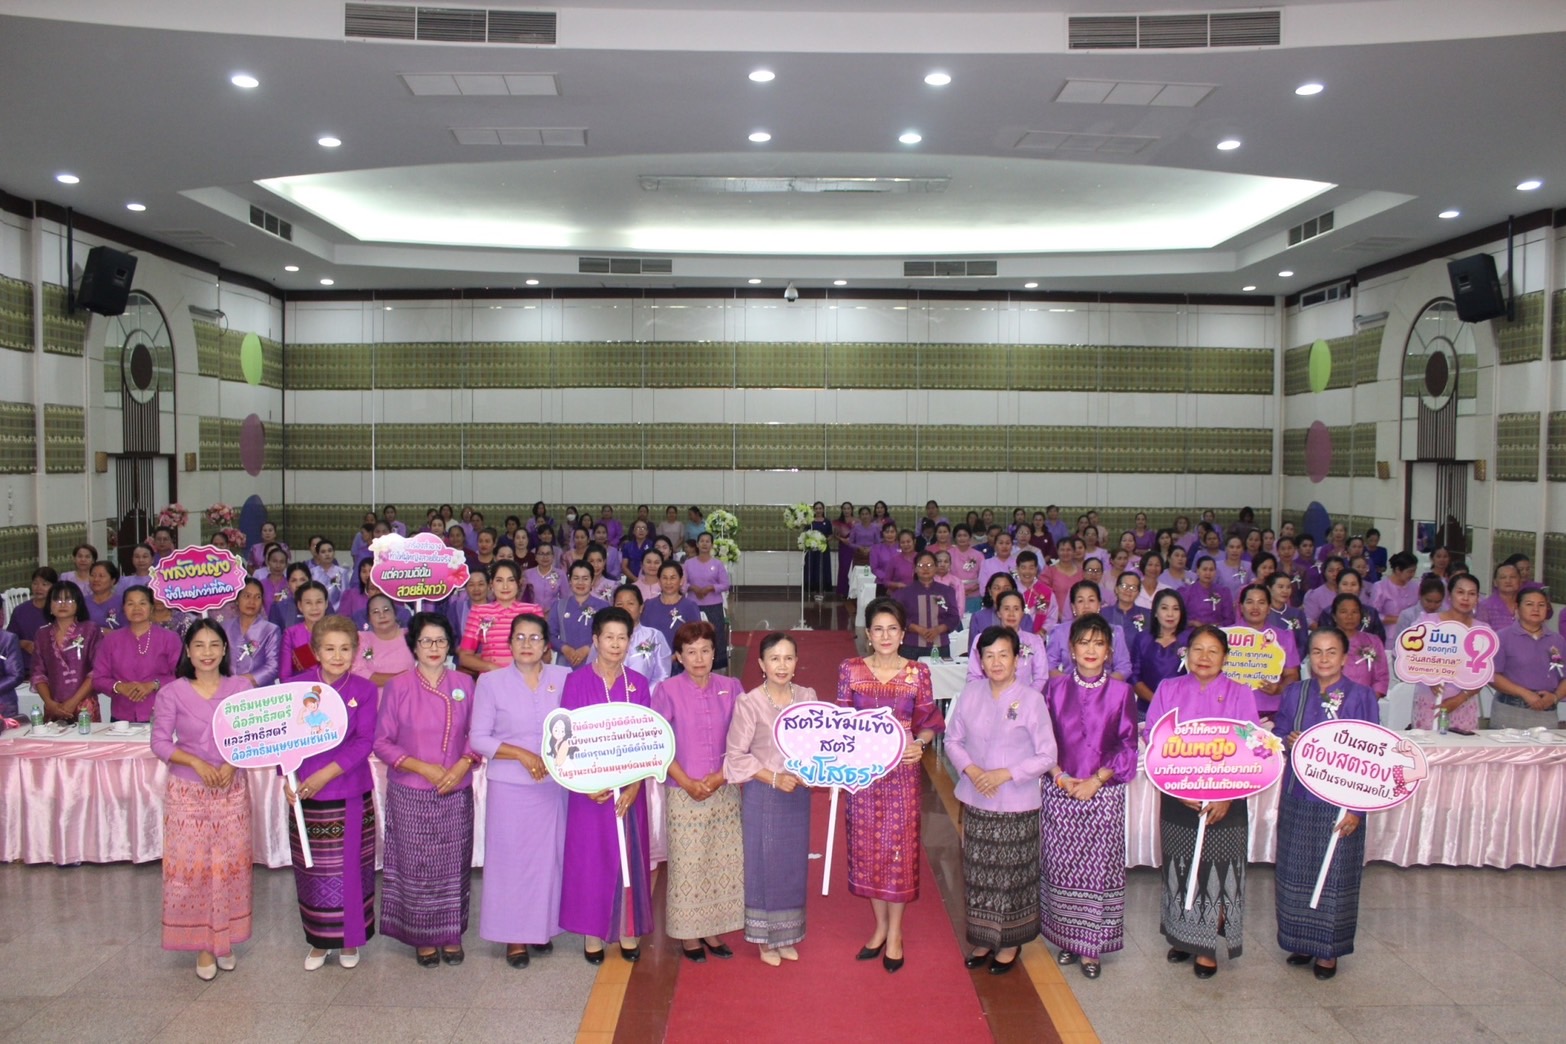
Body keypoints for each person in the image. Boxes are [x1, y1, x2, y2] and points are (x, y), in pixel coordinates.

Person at [1145, 625, 1260, 978]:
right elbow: (1155, 740)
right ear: (1186, 653)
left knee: (1217, 872)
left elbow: (1252, 749)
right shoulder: (1168, 689)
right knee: (1180, 868)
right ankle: (1182, 937)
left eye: (1213, 650)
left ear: (1225, 657)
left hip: (1227, 799)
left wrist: (1228, 796)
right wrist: (1176, 788)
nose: (1204, 657)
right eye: (1197, 649)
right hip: (1178, 797)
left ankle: (1207, 946)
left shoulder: (1241, 692)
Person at [835, 597, 944, 973]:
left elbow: (930, 720)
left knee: (897, 851)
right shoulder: (850, 669)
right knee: (867, 852)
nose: (885, 636)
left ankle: (895, 932)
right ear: (868, 634)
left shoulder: (917, 672)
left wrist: (921, 743)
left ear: (902, 633)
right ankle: (879, 927)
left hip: (901, 775)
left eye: (892, 629)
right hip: (863, 777)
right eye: (878, 629)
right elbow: (840, 725)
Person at [1273, 627, 1382, 980]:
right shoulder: (1295, 692)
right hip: (1298, 796)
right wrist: (1287, 740)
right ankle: (1301, 940)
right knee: (1295, 869)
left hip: (1341, 801)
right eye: (1317, 652)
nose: (1323, 659)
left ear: (1345, 657)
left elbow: (1373, 756)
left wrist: (1357, 810)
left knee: (1337, 872)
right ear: (1308, 657)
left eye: (1331, 652)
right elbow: (1278, 734)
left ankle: (1329, 951)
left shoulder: (1362, 696)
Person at [947, 625, 1056, 976]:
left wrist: (1005, 773)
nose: (996, 662)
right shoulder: (970, 695)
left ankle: (1010, 941)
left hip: (1017, 801)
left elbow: (1047, 755)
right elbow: (952, 740)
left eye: (1003, 654)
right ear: (980, 660)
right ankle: (982, 936)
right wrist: (972, 769)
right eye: (988, 655)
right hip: (976, 798)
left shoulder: (1032, 699)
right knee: (979, 873)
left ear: (1016, 659)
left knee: (1012, 874)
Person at [151, 619, 254, 980]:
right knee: (192, 869)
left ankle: (224, 940)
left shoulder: (241, 688)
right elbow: (160, 742)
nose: (207, 652)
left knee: (229, 866)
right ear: (188, 651)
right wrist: (194, 760)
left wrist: (232, 762)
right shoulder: (173, 692)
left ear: (225, 649)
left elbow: (254, 736)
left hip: (231, 789)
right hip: (187, 792)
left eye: (214, 645)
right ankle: (203, 946)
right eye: (199, 645)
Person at [373, 612, 477, 967]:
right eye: (426, 641)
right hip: (411, 790)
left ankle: (451, 933)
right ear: (413, 646)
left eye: (441, 641)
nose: (434, 648)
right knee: (417, 866)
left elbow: (476, 736)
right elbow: (382, 742)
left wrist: (463, 763)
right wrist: (423, 768)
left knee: (454, 863)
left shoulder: (465, 683)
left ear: (450, 644)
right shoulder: (399, 686)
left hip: (455, 788)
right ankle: (422, 936)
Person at [1038, 614, 1139, 978]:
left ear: (1109, 650)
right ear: (1071, 649)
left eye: (1099, 643)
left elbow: (1128, 745)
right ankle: (1067, 939)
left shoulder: (1121, 692)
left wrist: (1096, 781)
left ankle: (1092, 948)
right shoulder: (1054, 689)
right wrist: (1060, 777)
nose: (1091, 650)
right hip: (1061, 790)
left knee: (1097, 871)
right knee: (1062, 867)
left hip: (1103, 794)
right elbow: (1042, 741)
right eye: (1084, 642)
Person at [470, 612, 569, 968]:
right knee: (511, 862)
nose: (527, 645)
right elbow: (478, 737)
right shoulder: (490, 682)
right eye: (520, 638)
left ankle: (541, 929)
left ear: (546, 646)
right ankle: (513, 936)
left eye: (535, 638)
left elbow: (577, 727)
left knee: (548, 861)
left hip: (554, 786)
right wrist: (522, 755)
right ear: (509, 643)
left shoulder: (564, 677)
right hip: (510, 785)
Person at [560, 607, 654, 964]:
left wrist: (634, 786)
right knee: (591, 860)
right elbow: (566, 742)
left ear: (630, 643)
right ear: (595, 640)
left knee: (628, 857)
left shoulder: (638, 684)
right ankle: (592, 932)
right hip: (589, 792)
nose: (616, 644)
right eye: (609, 637)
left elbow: (648, 740)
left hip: (630, 790)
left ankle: (628, 929)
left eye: (622, 638)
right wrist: (584, 785)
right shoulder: (576, 682)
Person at [287, 615, 380, 971]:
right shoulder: (295, 688)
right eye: (329, 648)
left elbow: (364, 741)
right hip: (306, 793)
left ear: (355, 652)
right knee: (311, 870)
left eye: (345, 649)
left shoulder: (364, 689)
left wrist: (326, 773)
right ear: (315, 651)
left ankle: (350, 940)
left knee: (352, 870)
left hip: (349, 790)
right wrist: (288, 777)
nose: (337, 656)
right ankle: (318, 940)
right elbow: (284, 743)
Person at [652, 621, 745, 962]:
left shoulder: (732, 686)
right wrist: (688, 782)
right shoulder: (667, 690)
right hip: (682, 790)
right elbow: (657, 743)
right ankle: (689, 935)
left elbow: (744, 737)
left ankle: (713, 929)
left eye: (705, 650)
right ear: (678, 656)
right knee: (688, 863)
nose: (699, 658)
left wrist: (720, 777)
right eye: (690, 652)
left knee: (722, 861)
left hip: (724, 787)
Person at [724, 633, 813, 966]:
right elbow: (735, 755)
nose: (782, 665)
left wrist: (814, 770)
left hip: (798, 792)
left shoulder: (807, 696)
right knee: (764, 863)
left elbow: (816, 743)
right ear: (761, 664)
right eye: (774, 658)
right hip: (765, 791)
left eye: (789, 658)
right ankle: (764, 939)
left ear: (796, 662)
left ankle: (787, 934)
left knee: (791, 864)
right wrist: (774, 777)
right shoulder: (750, 702)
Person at [93, 585, 180, 722]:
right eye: (130, 603)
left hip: (162, 714)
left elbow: (182, 675)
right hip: (121, 717)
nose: (136, 608)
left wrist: (153, 685)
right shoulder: (111, 640)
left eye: (142, 603)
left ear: (151, 608)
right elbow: (98, 678)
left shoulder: (169, 638)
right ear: (123, 608)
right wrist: (120, 687)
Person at [1411, 574, 1484, 731]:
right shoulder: (1427, 622)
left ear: (1477, 598)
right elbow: (1410, 656)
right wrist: (1429, 676)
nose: (1465, 598)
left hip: (1464, 701)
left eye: (1472, 594)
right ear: (1449, 595)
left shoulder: (1482, 630)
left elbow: (1484, 674)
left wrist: (1459, 699)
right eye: (1460, 592)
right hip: (1430, 698)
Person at [1488, 588, 1565, 729]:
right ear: (1517, 607)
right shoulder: (1502, 637)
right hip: (1510, 710)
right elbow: (1491, 675)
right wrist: (1524, 693)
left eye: (1541, 605)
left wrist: (1555, 697)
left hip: (1546, 711)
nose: (1536, 609)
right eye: (1529, 604)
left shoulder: (1558, 641)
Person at [32, 580, 102, 723]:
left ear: (78, 605)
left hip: (85, 706)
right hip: (54, 707)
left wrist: (73, 702)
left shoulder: (90, 629)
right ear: (50, 606)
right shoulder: (42, 634)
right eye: (57, 599)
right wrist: (50, 703)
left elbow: (97, 670)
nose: (63, 604)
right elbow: (38, 674)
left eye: (69, 599)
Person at [458, 560, 544, 674]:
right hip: (491, 680)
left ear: (519, 584)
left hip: (526, 679)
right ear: (491, 584)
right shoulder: (479, 612)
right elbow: (464, 657)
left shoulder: (533, 611)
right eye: (499, 580)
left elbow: (544, 652)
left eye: (511, 580)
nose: (505, 586)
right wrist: (491, 667)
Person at [1234, 582, 1299, 718]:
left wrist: (1279, 688)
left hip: (1270, 710)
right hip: (1231, 708)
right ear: (1241, 607)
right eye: (1250, 602)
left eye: (1261, 602)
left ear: (1269, 608)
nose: (1255, 607)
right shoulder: (1224, 636)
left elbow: (1292, 675)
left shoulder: (1284, 637)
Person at [966, 591, 1048, 691]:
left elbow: (1041, 679)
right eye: (1006, 609)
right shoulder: (982, 639)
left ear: (1023, 613)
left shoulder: (1035, 641)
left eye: (1016, 609)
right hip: (988, 699)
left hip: (1024, 700)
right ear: (999, 613)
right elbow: (973, 676)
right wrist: (986, 697)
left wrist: (1026, 698)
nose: (1011, 614)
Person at [892, 551, 962, 660]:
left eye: (930, 565)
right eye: (921, 565)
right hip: (911, 645)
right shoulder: (903, 593)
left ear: (935, 568)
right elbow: (897, 617)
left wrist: (938, 630)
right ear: (915, 569)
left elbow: (954, 617)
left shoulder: (947, 591)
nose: (925, 568)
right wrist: (917, 628)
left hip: (940, 645)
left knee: (940, 676)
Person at [222, 578, 282, 688]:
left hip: (259, 692)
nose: (252, 602)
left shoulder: (271, 630)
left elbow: (273, 667)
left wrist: (241, 682)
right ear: (237, 599)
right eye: (247, 596)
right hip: (227, 690)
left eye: (257, 597)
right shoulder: (224, 627)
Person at [550, 561, 610, 669]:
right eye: (576, 578)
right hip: (565, 664)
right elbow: (550, 634)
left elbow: (608, 635)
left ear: (592, 581)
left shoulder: (604, 607)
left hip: (595, 664)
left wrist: (588, 649)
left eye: (585, 578)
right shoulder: (559, 606)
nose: (580, 582)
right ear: (570, 581)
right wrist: (564, 648)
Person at [684, 532, 731, 671]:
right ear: (697, 544)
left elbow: (725, 585)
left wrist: (711, 588)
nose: (704, 544)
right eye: (702, 541)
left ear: (711, 545)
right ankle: (693, 663)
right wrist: (692, 588)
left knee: (716, 635)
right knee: (693, 636)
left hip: (714, 605)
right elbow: (681, 584)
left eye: (707, 541)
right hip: (693, 605)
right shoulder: (688, 564)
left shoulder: (717, 564)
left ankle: (717, 666)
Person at [353, 593, 416, 688]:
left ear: (395, 614)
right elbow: (358, 671)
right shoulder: (364, 639)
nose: (382, 615)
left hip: (409, 695)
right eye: (375, 612)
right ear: (369, 618)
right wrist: (399, 678)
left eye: (386, 610)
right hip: (374, 698)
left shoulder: (411, 636)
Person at [1333, 594, 1389, 699]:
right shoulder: (1325, 641)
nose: (1349, 617)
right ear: (1334, 616)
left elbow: (1381, 677)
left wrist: (1370, 699)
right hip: (1333, 703)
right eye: (1344, 612)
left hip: (1366, 701)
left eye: (1354, 612)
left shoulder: (1373, 641)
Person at [6, 566, 58, 676]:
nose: (39, 588)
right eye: (35, 583)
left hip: (55, 668)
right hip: (26, 668)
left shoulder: (60, 610)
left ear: (54, 587)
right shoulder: (20, 610)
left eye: (44, 584)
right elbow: (8, 641)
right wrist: (24, 644)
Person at [280, 581, 330, 681]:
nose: (314, 608)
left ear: (326, 604)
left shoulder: (337, 632)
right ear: (300, 606)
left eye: (319, 602)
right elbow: (284, 677)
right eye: (308, 603)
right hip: (302, 691)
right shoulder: (291, 634)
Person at [1476, 562, 1522, 632]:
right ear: (1495, 582)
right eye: (1503, 577)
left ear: (1520, 581)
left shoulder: (1526, 605)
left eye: (1512, 577)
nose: (1508, 581)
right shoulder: (1485, 607)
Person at [804, 501, 833, 596]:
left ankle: (822, 588)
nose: (818, 510)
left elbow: (830, 535)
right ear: (814, 510)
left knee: (823, 567)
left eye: (820, 508)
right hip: (812, 550)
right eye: (816, 508)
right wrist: (813, 542)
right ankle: (811, 588)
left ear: (823, 509)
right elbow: (806, 534)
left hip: (823, 549)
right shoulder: (810, 521)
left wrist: (822, 541)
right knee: (812, 567)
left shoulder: (827, 521)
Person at [83, 560, 124, 629]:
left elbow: (129, 631)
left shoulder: (122, 602)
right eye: (93, 575)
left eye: (101, 576)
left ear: (113, 580)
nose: (96, 579)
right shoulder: (82, 602)